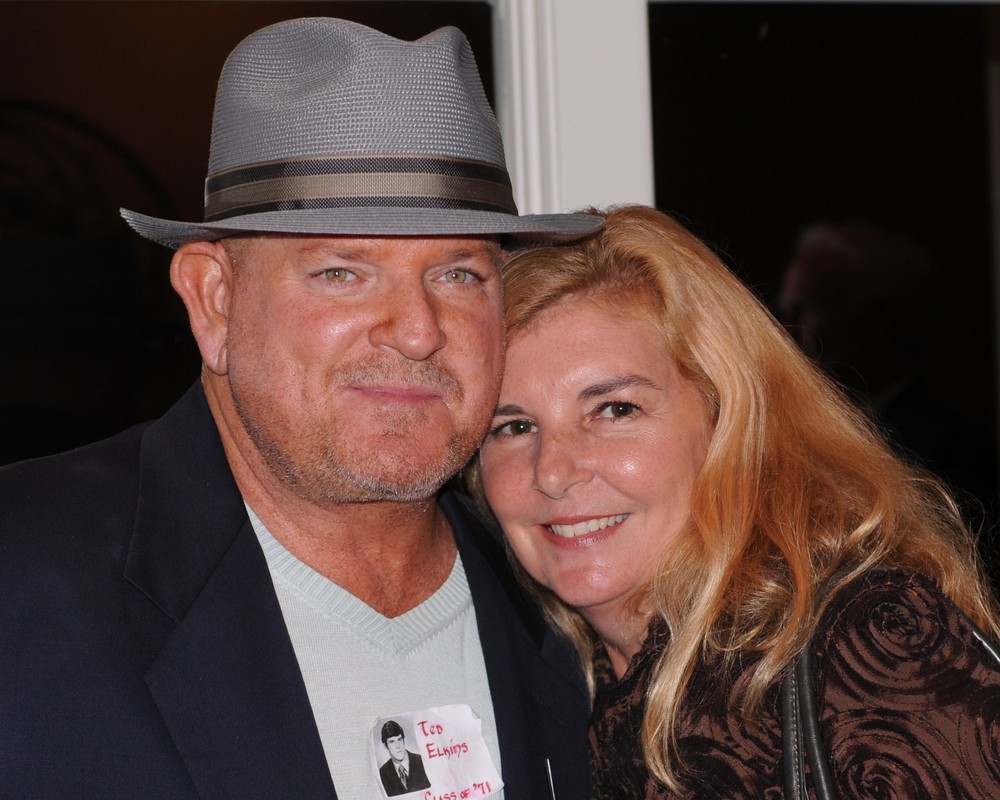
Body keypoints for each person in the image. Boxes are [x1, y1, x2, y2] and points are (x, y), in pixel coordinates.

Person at [0, 18, 603, 799]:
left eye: (458, 274)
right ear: (215, 301)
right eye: (341, 273)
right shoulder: (26, 578)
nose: (417, 331)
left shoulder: (574, 594)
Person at [470, 205, 1000, 798]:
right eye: (513, 426)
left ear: (726, 419)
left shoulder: (864, 647)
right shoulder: (542, 688)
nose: (552, 471)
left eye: (615, 410)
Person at [776, 221, 999, 586]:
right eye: (785, 311)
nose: (787, 331)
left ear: (876, 320)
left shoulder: (954, 453)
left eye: (806, 310)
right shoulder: (794, 436)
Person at [378, 720, 432, 796]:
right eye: (392, 742)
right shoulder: (384, 772)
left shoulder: (421, 761)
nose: (398, 746)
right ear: (386, 746)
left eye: (399, 739)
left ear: (403, 741)